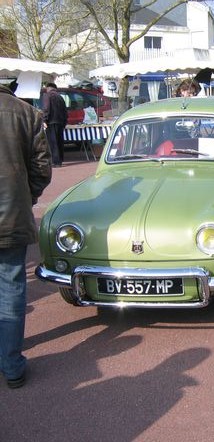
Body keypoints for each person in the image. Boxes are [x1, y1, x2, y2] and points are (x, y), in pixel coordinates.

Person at [0, 83, 52, 387]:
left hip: (15, 212)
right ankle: (12, 364)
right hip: (13, 215)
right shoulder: (27, 114)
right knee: (11, 288)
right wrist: (27, 197)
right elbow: (42, 167)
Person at [42, 82, 68, 167]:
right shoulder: (60, 97)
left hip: (51, 121)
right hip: (60, 122)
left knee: (53, 142)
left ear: (48, 88)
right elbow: (65, 111)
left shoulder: (47, 96)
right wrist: (64, 122)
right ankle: (60, 159)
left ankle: (55, 161)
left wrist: (44, 119)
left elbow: (46, 108)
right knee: (59, 141)